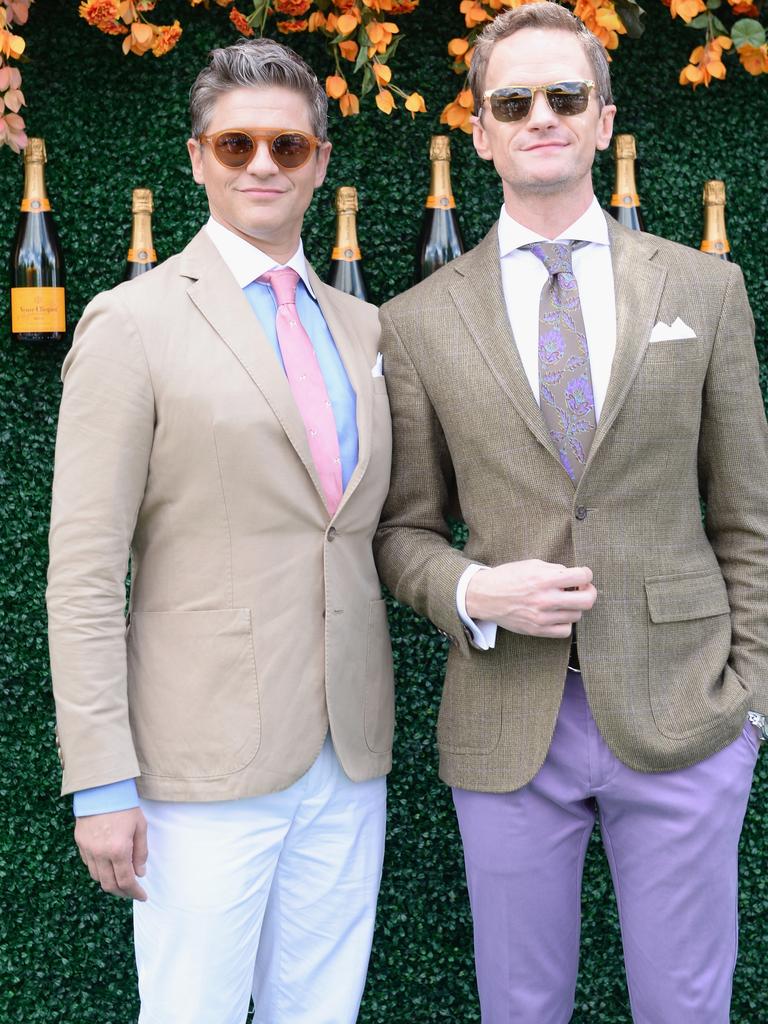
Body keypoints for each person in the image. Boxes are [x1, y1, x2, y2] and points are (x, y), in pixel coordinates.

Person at [373, 4, 767, 1021]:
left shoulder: (706, 288)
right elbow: (401, 530)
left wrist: (751, 707)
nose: (541, 114)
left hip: (687, 711)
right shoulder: (415, 322)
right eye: (515, 100)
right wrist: (469, 586)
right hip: (508, 721)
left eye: (566, 95)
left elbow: (749, 518)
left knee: (687, 1005)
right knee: (520, 1005)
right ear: (481, 129)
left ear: (603, 121)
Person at [46, 37, 394, 1024]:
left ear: (319, 162)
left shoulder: (361, 330)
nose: (262, 168)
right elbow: (82, 571)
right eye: (236, 145)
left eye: (287, 148)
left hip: (348, 752)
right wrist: (100, 778)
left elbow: (356, 531)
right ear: (198, 157)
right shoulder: (131, 322)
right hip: (195, 767)